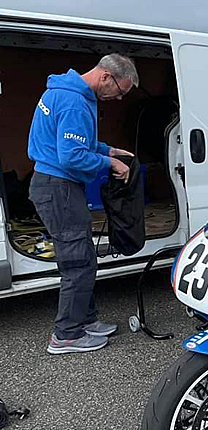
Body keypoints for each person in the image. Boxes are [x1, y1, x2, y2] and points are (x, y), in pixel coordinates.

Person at [27, 54, 139, 354]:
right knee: (77, 261)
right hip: (58, 187)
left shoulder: (67, 91)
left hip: (56, 185)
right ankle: (66, 335)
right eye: (120, 91)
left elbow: (76, 143)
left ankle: (86, 320)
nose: (117, 98)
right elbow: (71, 156)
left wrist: (108, 148)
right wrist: (110, 163)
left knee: (84, 255)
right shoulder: (75, 102)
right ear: (106, 76)